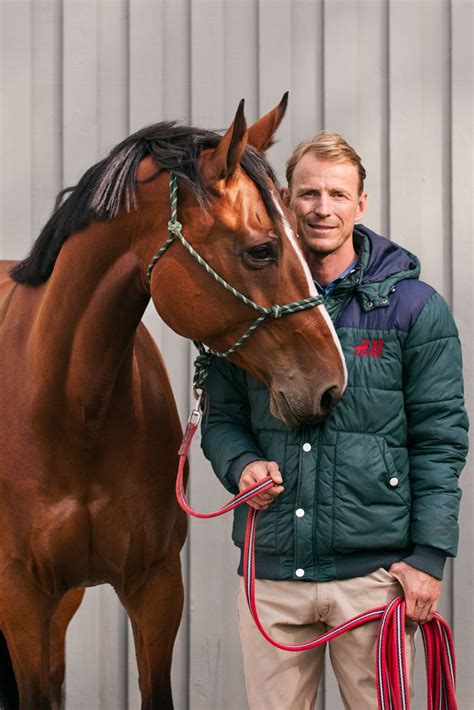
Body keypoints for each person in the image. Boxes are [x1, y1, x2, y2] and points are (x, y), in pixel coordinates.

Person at [200, 132, 469, 709]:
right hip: (273, 576)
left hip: (375, 579)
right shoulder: (246, 305)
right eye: (309, 193)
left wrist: (428, 559)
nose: (323, 208)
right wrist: (242, 465)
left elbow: (440, 440)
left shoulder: (413, 309)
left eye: (338, 195)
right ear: (284, 201)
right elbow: (220, 417)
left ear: (361, 204)